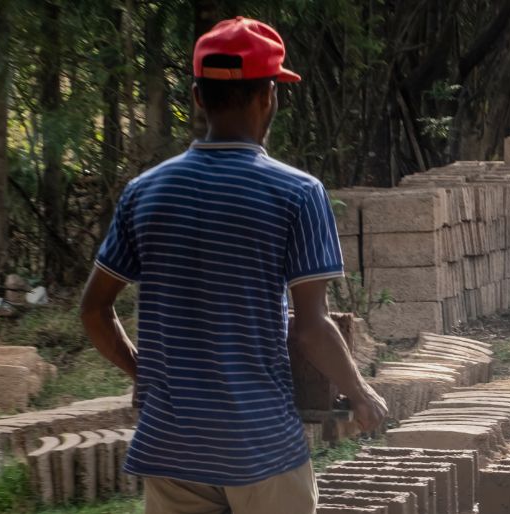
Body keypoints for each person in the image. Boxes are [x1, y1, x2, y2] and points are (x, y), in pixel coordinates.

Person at [78, 16, 387, 514]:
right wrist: (360, 392)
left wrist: (147, 377)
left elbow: (94, 311)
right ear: (269, 96)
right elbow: (310, 328)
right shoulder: (296, 193)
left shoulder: (145, 193)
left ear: (198, 98)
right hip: (259, 446)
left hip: (170, 447)